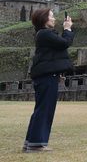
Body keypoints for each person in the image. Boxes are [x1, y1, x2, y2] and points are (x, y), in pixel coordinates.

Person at [23, 9, 74, 153]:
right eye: (51, 16)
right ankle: (37, 144)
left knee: (40, 110)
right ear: (44, 19)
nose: (54, 19)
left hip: (45, 76)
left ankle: (31, 142)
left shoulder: (43, 35)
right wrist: (68, 28)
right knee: (45, 110)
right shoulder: (45, 34)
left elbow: (59, 44)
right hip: (46, 77)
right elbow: (65, 43)